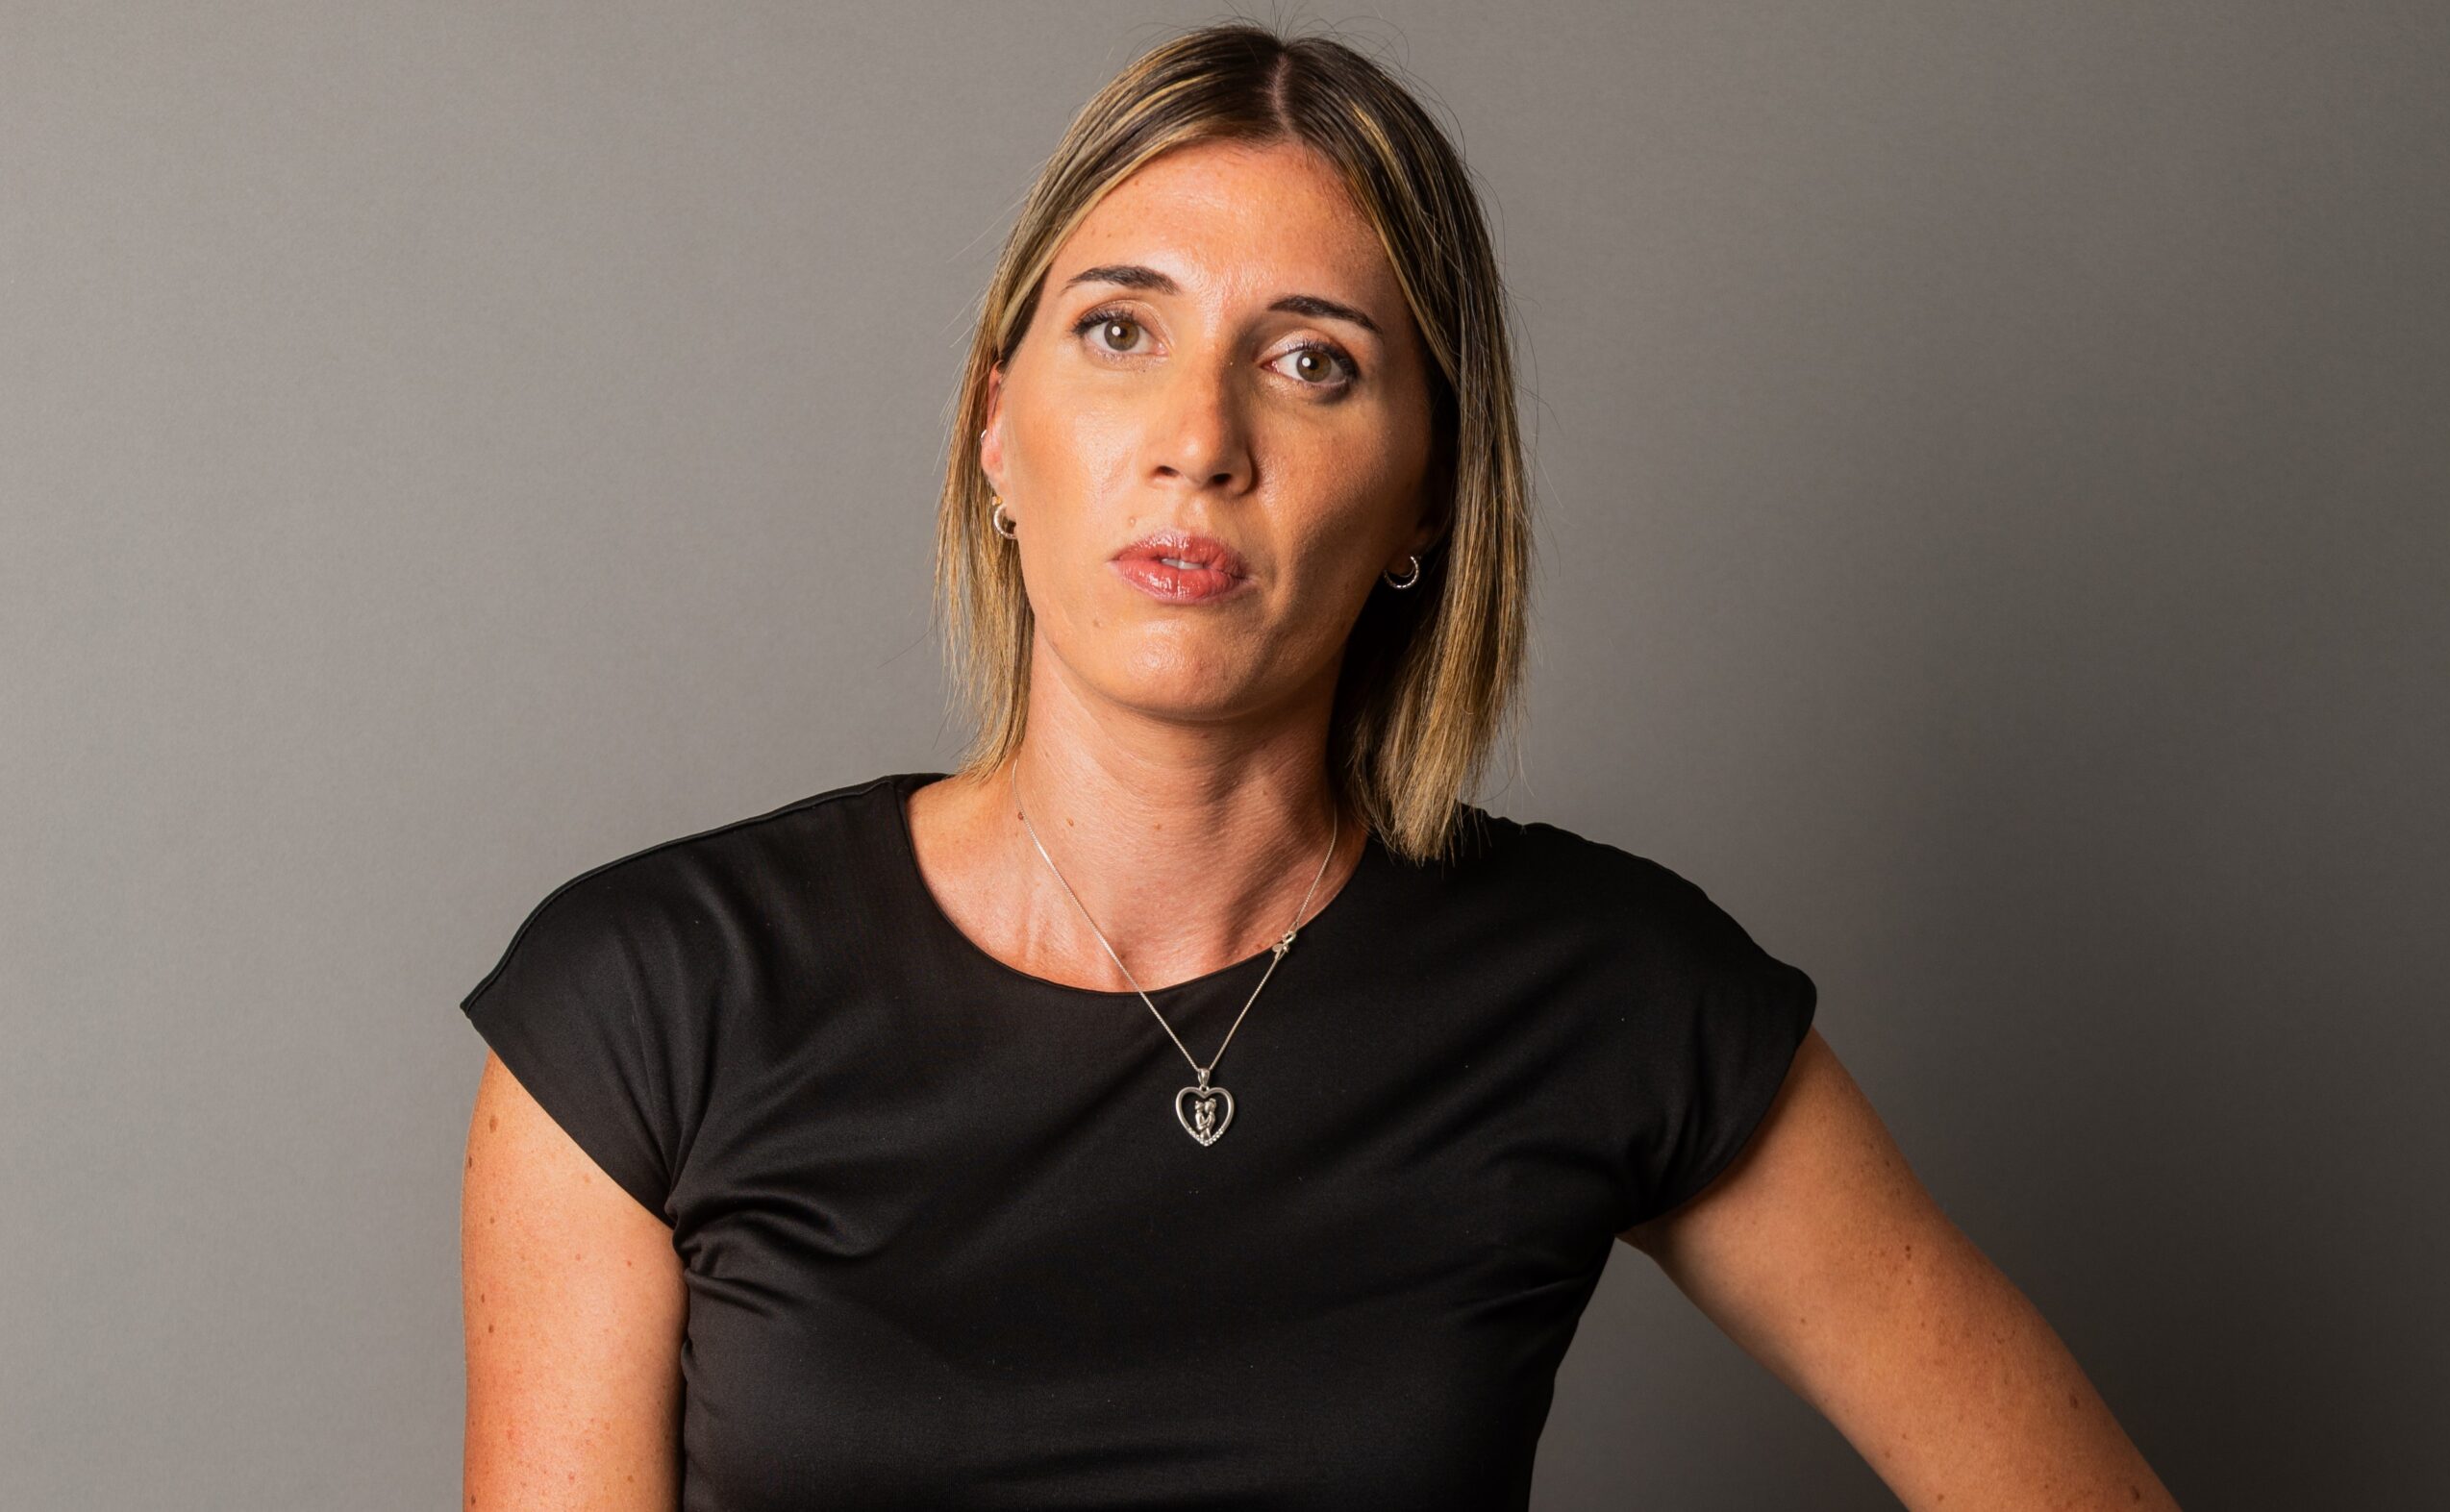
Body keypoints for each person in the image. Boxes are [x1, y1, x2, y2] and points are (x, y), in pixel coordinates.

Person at [457, 20, 2179, 1511]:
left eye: (1312, 364)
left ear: (1429, 491)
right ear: (996, 424)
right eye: (1119, 331)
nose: (1201, 441)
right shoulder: (652, 1002)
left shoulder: (1604, 987)